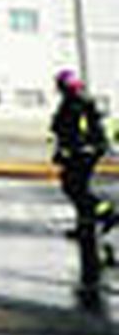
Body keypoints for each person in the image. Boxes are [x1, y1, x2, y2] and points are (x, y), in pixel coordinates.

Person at [50, 69, 117, 236]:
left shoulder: (76, 104)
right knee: (76, 186)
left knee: (74, 187)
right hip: (84, 151)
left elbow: (76, 131)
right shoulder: (75, 101)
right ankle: (85, 227)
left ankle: (107, 213)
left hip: (83, 152)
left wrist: (71, 150)